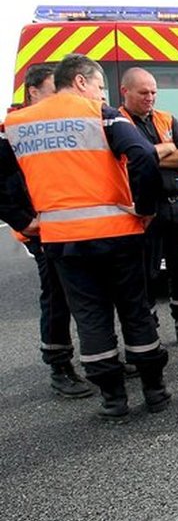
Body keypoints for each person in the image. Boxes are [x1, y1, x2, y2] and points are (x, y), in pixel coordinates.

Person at [0, 53, 167, 422]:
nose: (102, 94)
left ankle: (113, 399)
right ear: (79, 81)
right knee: (135, 311)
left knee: (91, 318)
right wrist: (145, 208)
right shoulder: (101, 115)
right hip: (118, 234)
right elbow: (142, 154)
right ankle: (154, 390)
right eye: (98, 85)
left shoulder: (16, 124)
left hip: (61, 239)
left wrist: (22, 219)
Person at [1, 63, 91, 399]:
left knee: (87, 294)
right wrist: (22, 220)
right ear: (33, 92)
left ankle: (97, 357)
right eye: (55, 90)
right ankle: (59, 365)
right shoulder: (13, 130)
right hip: (42, 231)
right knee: (56, 295)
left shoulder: (58, 125)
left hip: (73, 224)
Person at [119, 67, 178, 347]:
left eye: (153, 92)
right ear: (125, 92)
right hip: (144, 209)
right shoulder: (118, 123)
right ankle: (149, 332)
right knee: (145, 274)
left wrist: (148, 154)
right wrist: (166, 148)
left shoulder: (166, 118)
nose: (150, 97)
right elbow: (127, 161)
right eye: (143, 93)